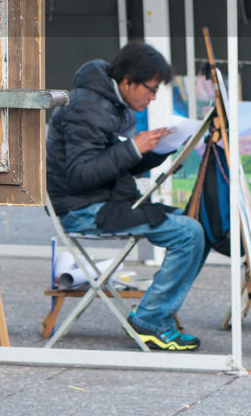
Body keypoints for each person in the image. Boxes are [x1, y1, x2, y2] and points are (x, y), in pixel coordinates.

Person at [45, 42, 205, 351]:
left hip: (106, 201)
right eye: (151, 88)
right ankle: (150, 319)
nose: (154, 96)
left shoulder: (114, 104)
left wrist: (162, 149)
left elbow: (114, 165)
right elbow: (81, 174)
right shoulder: (86, 107)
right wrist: (134, 147)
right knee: (189, 232)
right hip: (82, 209)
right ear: (128, 81)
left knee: (195, 224)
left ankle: (156, 314)